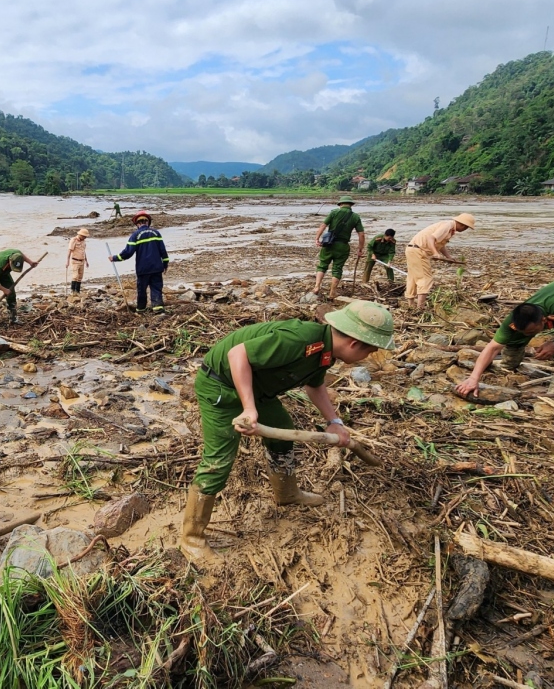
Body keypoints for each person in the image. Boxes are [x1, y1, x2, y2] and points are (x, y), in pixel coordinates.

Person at [179, 301, 396, 564]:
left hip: (258, 389)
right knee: (218, 461)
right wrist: (249, 408)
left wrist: (335, 421)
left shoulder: (324, 351)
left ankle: (287, 493)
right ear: (354, 344)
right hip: (221, 388)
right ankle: (191, 539)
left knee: (283, 432)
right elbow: (238, 355)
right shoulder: (300, 339)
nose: (369, 357)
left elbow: (314, 385)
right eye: (370, 351)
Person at [455, 281, 554, 396]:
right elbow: (492, 347)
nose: (527, 335)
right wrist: (473, 378)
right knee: (514, 336)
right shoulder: (515, 320)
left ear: (544, 321)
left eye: (531, 332)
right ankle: (509, 365)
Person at [405, 213, 475, 309]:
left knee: (413, 277)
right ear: (462, 224)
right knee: (425, 278)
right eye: (466, 227)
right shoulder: (448, 225)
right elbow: (431, 238)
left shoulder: (450, 228)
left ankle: (411, 306)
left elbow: (440, 244)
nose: (465, 230)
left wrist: (448, 257)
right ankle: (420, 307)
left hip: (413, 249)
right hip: (419, 251)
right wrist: (435, 253)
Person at [110, 210, 169, 314]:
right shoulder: (156, 233)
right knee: (156, 288)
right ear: (147, 222)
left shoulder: (135, 235)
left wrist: (114, 258)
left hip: (143, 269)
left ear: (137, 224)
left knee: (142, 289)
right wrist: (165, 264)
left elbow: (128, 253)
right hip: (156, 267)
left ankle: (141, 309)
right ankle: (158, 308)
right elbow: (163, 251)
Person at [313, 196, 365, 300]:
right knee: (337, 269)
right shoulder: (355, 217)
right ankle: (332, 292)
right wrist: (360, 249)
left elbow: (323, 225)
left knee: (322, 265)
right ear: (351, 205)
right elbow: (361, 235)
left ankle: (317, 286)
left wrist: (317, 239)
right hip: (343, 246)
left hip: (329, 244)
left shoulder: (334, 213)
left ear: (340, 204)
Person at [0, 249, 39, 330]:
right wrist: (3, 289)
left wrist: (30, 262)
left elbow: (21, 254)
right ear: (10, 261)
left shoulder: (17, 254)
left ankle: (13, 318)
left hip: (4, 273)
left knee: (11, 293)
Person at [67, 228, 90, 295]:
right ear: (81, 235)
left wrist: (86, 261)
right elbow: (69, 251)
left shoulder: (83, 242)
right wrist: (67, 261)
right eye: (84, 236)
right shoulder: (73, 240)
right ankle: (73, 291)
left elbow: (83, 251)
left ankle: (78, 291)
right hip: (75, 260)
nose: (85, 238)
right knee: (75, 276)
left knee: (80, 277)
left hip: (82, 261)